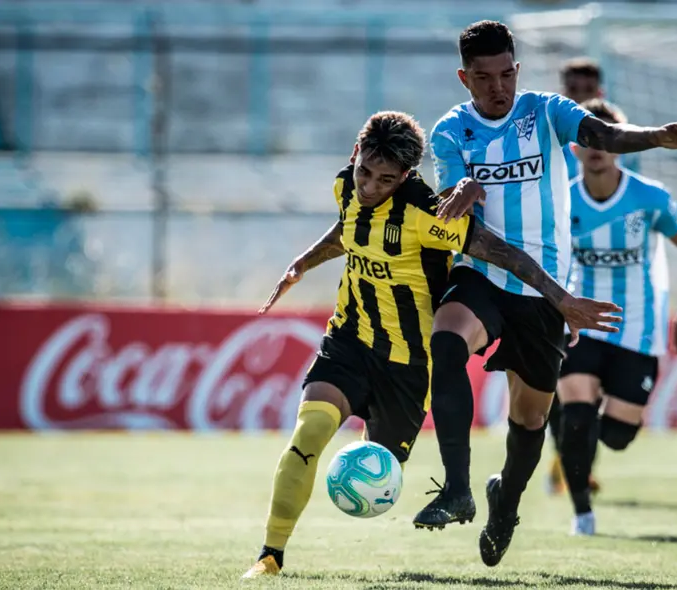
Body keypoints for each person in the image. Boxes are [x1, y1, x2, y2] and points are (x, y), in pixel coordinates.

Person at [242, 110, 622, 578]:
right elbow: (348, 227)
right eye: (365, 172)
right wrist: (302, 263)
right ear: (354, 156)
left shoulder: (428, 211)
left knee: (380, 469)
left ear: (407, 176)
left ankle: (471, 489)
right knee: (309, 434)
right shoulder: (345, 186)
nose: (370, 186)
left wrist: (561, 300)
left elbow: (501, 252)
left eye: (386, 179)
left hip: (408, 364)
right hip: (349, 340)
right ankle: (270, 556)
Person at [410, 20, 677, 568]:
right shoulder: (450, 133)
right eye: (482, 77)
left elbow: (604, 136)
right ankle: (456, 487)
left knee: (530, 422)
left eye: (505, 75)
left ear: (517, 70)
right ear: (463, 78)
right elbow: (467, 228)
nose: (497, 87)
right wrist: (463, 190)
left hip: (542, 294)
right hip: (485, 275)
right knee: (445, 344)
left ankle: (506, 503)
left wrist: (656, 136)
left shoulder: (544, 110)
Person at [554, 99, 677, 535]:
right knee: (578, 417)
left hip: (637, 332)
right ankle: (582, 513)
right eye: (588, 137)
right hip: (581, 325)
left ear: (621, 146)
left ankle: (574, 431)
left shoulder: (649, 197)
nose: (597, 146)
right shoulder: (560, 200)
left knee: (617, 438)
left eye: (607, 137)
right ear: (576, 147)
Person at [547, 56, 642, 497]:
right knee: (546, 374)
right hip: (547, 269)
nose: (578, 95)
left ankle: (573, 458)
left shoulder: (615, 144)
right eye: (572, 87)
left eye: (586, 88)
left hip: (599, 282)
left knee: (581, 388)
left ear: (599, 92)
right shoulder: (546, 137)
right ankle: (565, 457)